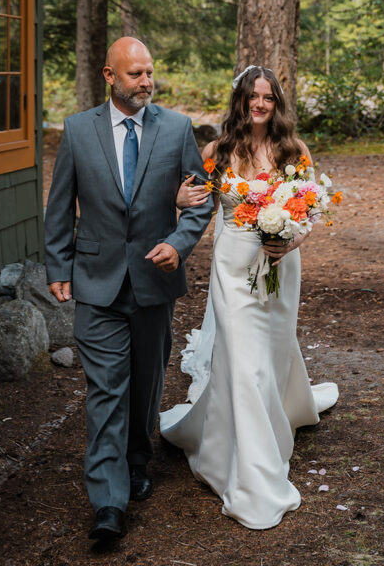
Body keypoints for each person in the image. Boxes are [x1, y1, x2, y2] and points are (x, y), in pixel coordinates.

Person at [45, 37, 212, 542]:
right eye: (135, 73)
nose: (145, 81)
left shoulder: (177, 128)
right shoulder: (77, 132)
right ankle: (108, 502)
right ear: (109, 75)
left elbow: (200, 201)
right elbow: (60, 204)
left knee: (145, 384)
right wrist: (58, 263)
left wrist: (178, 242)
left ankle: (138, 456)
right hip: (96, 282)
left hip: (153, 280)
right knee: (106, 391)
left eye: (149, 72)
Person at [160, 65, 339, 530]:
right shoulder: (217, 151)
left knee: (271, 358)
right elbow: (190, 200)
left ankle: (273, 422)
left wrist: (291, 241)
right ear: (240, 99)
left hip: (280, 266)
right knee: (244, 362)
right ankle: (250, 472)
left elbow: (309, 210)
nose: (260, 105)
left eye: (268, 98)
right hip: (232, 268)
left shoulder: (292, 150)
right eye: (253, 96)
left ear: (277, 104)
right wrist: (178, 199)